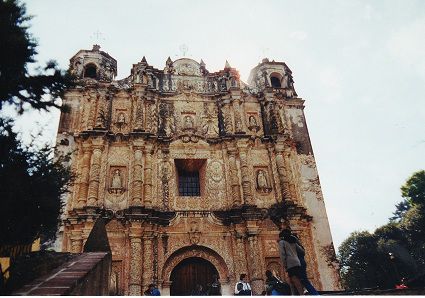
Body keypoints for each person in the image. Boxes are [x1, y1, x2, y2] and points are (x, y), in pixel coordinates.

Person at [278, 229, 305, 295]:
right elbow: (302, 251)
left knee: (295, 280)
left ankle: (302, 294)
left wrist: (285, 264)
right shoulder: (293, 242)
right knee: (291, 281)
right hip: (297, 262)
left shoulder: (282, 242)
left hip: (290, 264)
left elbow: (282, 254)